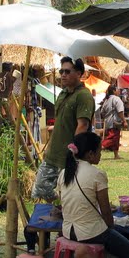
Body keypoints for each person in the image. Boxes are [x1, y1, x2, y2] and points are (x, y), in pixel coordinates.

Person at [56, 132, 129, 258]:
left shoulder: (63, 173)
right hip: (89, 232)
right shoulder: (97, 174)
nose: (101, 155)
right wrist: (111, 229)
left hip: (69, 230)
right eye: (99, 151)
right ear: (90, 154)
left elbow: (65, 203)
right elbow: (106, 211)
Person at [33, 57, 96, 201]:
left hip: (69, 155)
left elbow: (83, 125)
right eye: (62, 71)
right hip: (53, 153)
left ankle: (63, 213)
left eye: (67, 71)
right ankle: (59, 208)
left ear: (79, 74)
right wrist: (49, 146)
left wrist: (72, 152)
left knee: (69, 193)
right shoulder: (62, 93)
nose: (63, 75)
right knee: (41, 189)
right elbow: (60, 121)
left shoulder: (84, 96)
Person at [99, 84, 125, 159]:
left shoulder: (106, 100)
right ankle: (98, 147)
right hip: (114, 122)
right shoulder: (117, 99)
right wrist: (124, 121)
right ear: (114, 91)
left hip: (108, 122)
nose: (118, 91)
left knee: (116, 139)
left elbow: (102, 112)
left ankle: (116, 155)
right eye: (117, 90)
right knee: (112, 138)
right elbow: (120, 112)